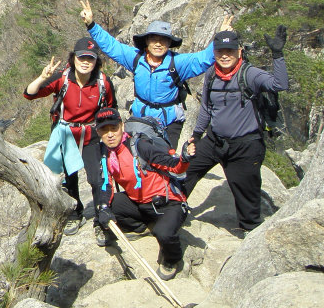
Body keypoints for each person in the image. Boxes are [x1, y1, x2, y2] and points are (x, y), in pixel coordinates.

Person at [80, 0, 234, 148]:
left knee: (165, 163)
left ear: (169, 43)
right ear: (147, 41)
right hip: (141, 117)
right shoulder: (136, 58)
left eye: (163, 40)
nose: (158, 44)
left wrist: (220, 39)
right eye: (154, 39)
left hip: (169, 121)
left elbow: (204, 59)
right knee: (138, 160)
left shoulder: (178, 63)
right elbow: (112, 46)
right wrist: (92, 25)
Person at [183, 26, 289, 234]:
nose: (224, 56)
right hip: (215, 140)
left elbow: (279, 84)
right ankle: (173, 208)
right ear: (214, 53)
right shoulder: (212, 73)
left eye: (229, 51)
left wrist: (277, 54)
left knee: (246, 196)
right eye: (220, 52)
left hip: (245, 145)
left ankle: (249, 233)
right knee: (186, 169)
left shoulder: (249, 74)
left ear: (239, 52)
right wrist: (196, 135)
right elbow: (206, 107)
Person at [24, 37, 117, 246]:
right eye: (82, 57)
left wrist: (111, 135)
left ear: (96, 62)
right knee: (69, 177)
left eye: (90, 59)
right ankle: (75, 212)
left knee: (97, 178)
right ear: (74, 58)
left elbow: (111, 109)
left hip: (91, 135)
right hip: (66, 134)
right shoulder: (63, 79)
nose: (85, 62)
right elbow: (29, 94)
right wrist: (41, 78)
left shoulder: (103, 83)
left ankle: (101, 221)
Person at [95, 107, 195, 281]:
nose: (110, 134)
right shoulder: (106, 154)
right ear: (98, 133)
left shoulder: (139, 146)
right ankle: (143, 227)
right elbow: (106, 184)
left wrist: (184, 159)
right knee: (108, 206)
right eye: (104, 130)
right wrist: (103, 207)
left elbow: (173, 166)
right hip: (140, 203)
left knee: (163, 234)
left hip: (168, 203)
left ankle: (172, 259)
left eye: (114, 128)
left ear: (122, 127)